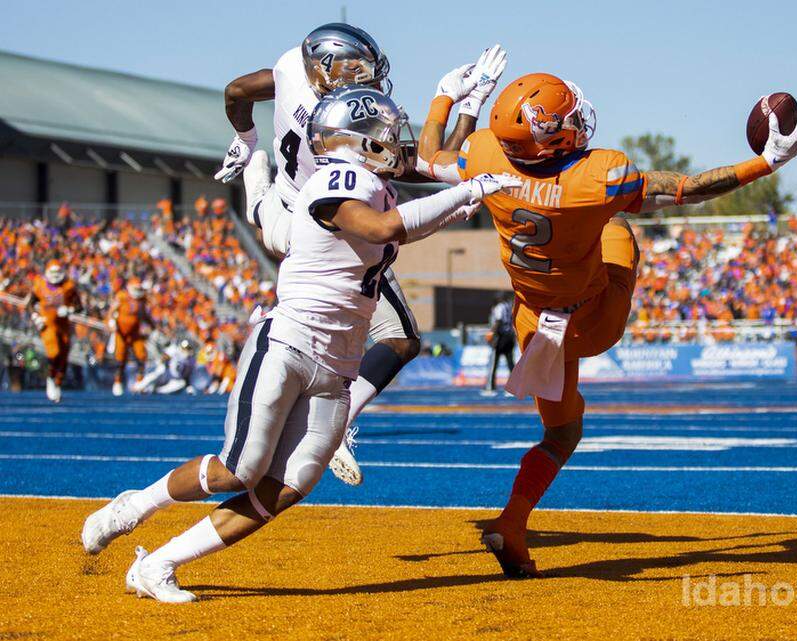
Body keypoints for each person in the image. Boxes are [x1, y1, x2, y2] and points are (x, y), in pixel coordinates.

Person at [81, 85, 519, 603]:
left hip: (338, 365)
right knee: (237, 470)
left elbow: (405, 220)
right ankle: (135, 506)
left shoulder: (372, 183)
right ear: (360, 140)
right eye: (384, 133)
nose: (394, 141)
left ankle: (159, 564)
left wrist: (469, 170)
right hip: (288, 343)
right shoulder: (338, 179)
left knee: (286, 487)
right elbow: (383, 227)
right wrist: (470, 190)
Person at [418, 72, 797, 577]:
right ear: (549, 134)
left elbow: (429, 156)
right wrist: (765, 162)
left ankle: (513, 521)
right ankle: (511, 525)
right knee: (617, 223)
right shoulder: (599, 175)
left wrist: (447, 96)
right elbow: (687, 189)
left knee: (559, 435)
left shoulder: (485, 154)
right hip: (592, 319)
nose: (578, 119)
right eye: (568, 118)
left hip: (534, 324)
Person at [216, 22, 508, 486]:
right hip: (319, 232)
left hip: (281, 212)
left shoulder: (293, 65)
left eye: (366, 69)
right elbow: (435, 165)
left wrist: (246, 137)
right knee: (401, 337)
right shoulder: (337, 123)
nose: (367, 80)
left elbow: (236, 91)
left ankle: (255, 175)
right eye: (355, 69)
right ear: (325, 68)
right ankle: (336, 416)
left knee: (264, 212)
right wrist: (465, 106)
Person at [27, 260, 82, 402]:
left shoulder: (68, 286)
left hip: (64, 326)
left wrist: (70, 309)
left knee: (63, 358)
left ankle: (57, 382)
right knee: (54, 352)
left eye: (58, 272)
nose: (56, 275)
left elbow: (79, 306)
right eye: (53, 272)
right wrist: (35, 317)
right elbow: (30, 303)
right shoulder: (40, 284)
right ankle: (51, 377)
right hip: (48, 325)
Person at [108, 278, 150, 397]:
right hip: (121, 332)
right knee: (120, 357)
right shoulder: (121, 296)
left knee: (142, 355)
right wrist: (111, 322)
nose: (138, 291)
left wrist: (152, 325)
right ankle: (117, 382)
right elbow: (112, 311)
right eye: (136, 289)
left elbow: (144, 314)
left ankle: (140, 382)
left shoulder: (142, 299)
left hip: (135, 332)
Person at [483, 291, 515, 393]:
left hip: (501, 337)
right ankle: (514, 387)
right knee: (510, 363)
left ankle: (490, 387)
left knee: (493, 363)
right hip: (510, 336)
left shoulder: (499, 307)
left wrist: (492, 333)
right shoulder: (510, 306)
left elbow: (498, 321)